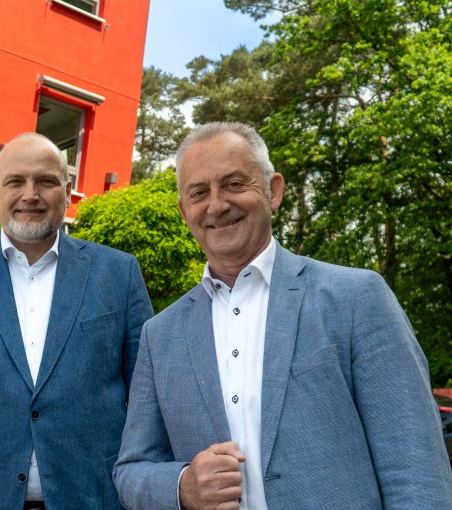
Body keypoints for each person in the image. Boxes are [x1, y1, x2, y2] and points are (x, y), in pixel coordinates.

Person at [113, 122, 452, 509]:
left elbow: (415, 465)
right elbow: (131, 469)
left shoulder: (356, 298)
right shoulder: (160, 336)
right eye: (198, 193)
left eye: (235, 184)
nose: (217, 205)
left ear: (273, 191)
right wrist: (182, 485)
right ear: (183, 210)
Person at [0, 132, 153, 509]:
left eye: (46, 182)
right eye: (15, 182)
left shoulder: (118, 273)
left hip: (95, 497)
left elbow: (146, 398)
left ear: (67, 192)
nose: (30, 195)